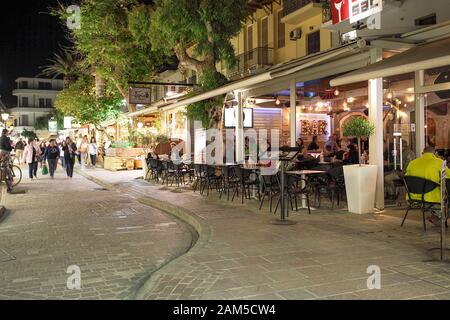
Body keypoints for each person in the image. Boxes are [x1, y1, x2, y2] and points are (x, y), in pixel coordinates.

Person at [405, 146, 450, 225]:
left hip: (413, 197)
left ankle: (435, 216)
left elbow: (406, 178)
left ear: (422, 153)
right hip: (429, 197)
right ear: (435, 153)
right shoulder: (438, 161)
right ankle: (439, 216)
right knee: (445, 195)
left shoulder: (412, 162)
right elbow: (449, 175)